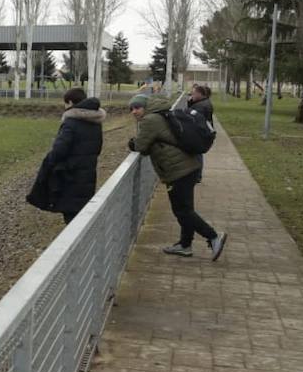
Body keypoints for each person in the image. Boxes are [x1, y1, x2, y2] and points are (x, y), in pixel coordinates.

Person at [128, 94, 226, 260]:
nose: (134, 112)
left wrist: (132, 143)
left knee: (182, 210)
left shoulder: (149, 120)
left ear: (146, 106)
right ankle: (185, 245)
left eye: (137, 107)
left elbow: (141, 146)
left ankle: (213, 236)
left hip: (178, 170)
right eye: (131, 109)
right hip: (188, 167)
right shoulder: (161, 114)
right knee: (186, 209)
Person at [30, 88, 106, 225]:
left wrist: (50, 163)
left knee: (71, 215)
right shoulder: (95, 123)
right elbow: (98, 148)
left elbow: (59, 150)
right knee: (82, 214)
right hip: (88, 174)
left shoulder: (71, 123)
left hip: (70, 176)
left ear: (70, 102)